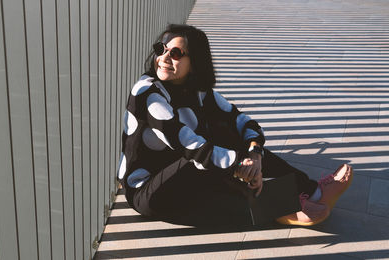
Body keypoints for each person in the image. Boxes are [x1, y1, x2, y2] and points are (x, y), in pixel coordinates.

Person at [117, 24, 353, 227]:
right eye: (161, 50)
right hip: (149, 191)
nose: (164, 58)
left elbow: (242, 121)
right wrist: (239, 165)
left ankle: (312, 191)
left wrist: (255, 155)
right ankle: (284, 208)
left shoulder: (198, 92)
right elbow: (186, 144)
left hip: (185, 175)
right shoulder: (146, 91)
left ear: (195, 62)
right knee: (205, 159)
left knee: (228, 135)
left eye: (176, 53)